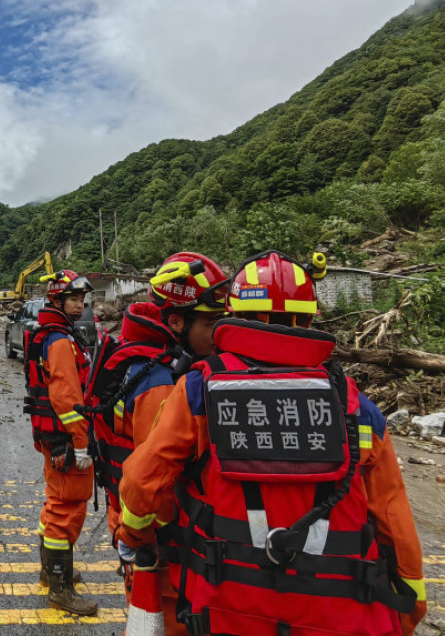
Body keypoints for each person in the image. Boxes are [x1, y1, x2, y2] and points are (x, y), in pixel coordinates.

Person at [119, 250, 426, 636]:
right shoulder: (353, 405)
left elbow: (141, 485)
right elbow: (395, 524)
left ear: (232, 315)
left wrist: (135, 536)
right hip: (341, 616)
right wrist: (408, 608)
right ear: (310, 317)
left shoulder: (199, 390)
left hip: (225, 610)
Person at [82, 252, 228, 633]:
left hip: (132, 522)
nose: (222, 333)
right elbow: (153, 481)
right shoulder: (158, 378)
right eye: (213, 322)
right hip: (158, 543)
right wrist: (142, 537)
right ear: (176, 321)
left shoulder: (138, 356)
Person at [22, 269, 97, 615]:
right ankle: (60, 588)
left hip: (51, 437)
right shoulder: (60, 341)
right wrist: (80, 443)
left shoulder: (46, 334)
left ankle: (51, 570)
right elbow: (67, 398)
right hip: (66, 440)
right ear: (57, 301)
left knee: (55, 502)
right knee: (67, 508)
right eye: (73, 299)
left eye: (82, 299)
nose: (80, 304)